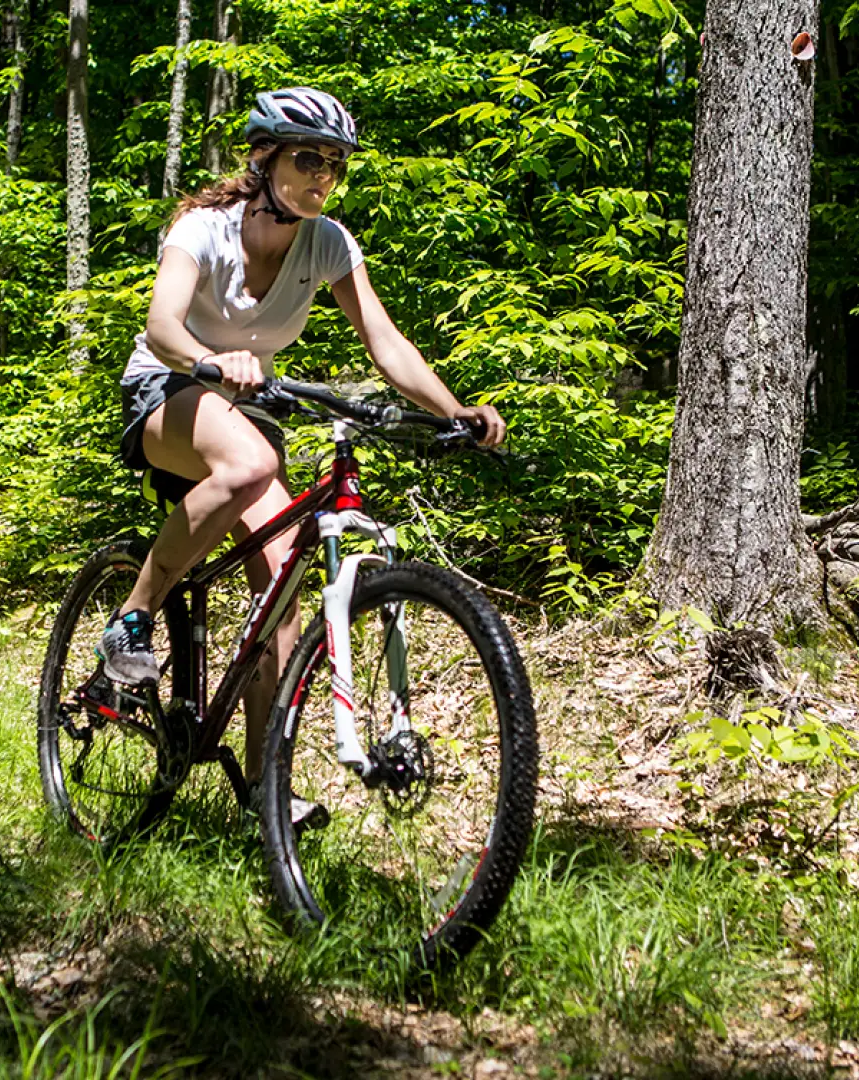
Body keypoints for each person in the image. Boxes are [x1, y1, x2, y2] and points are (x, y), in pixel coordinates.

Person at [98, 87, 506, 821]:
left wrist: (456, 411)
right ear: (265, 157)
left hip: (248, 413)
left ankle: (265, 790)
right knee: (252, 464)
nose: (323, 176)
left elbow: (385, 343)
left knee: (283, 589)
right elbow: (161, 325)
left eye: (336, 165)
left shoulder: (328, 242)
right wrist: (211, 361)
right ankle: (132, 616)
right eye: (309, 159)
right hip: (168, 392)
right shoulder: (204, 229)